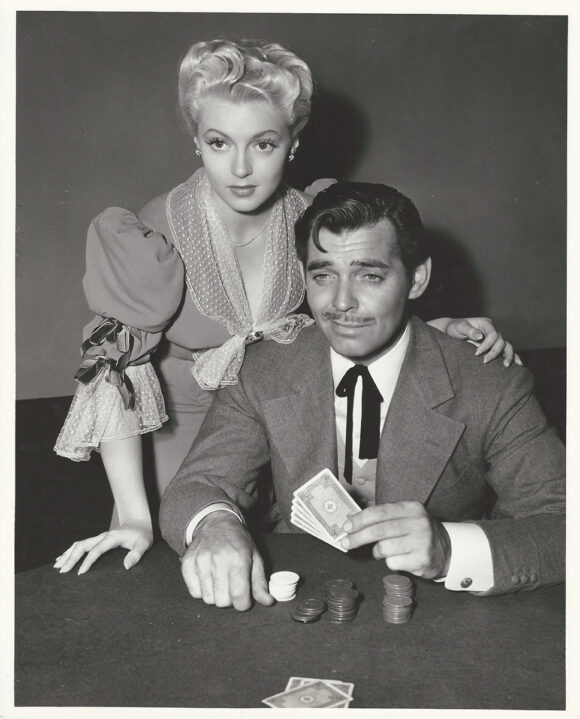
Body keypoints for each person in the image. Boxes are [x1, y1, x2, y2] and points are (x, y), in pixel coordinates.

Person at [53, 39, 516, 575]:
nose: (242, 168)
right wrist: (135, 516)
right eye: (220, 143)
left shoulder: (313, 217)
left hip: (288, 432)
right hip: (177, 448)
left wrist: (435, 329)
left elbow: (344, 309)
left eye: (264, 144)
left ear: (293, 145)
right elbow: (116, 375)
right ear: (197, 143)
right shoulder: (151, 232)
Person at [159, 181, 565, 610]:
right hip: (300, 608)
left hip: (440, 618)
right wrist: (215, 525)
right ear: (303, 278)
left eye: (370, 275)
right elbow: (199, 485)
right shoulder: (263, 370)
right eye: (323, 275)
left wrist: (448, 548)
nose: (341, 302)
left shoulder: (490, 384)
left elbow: (562, 525)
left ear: (417, 278)